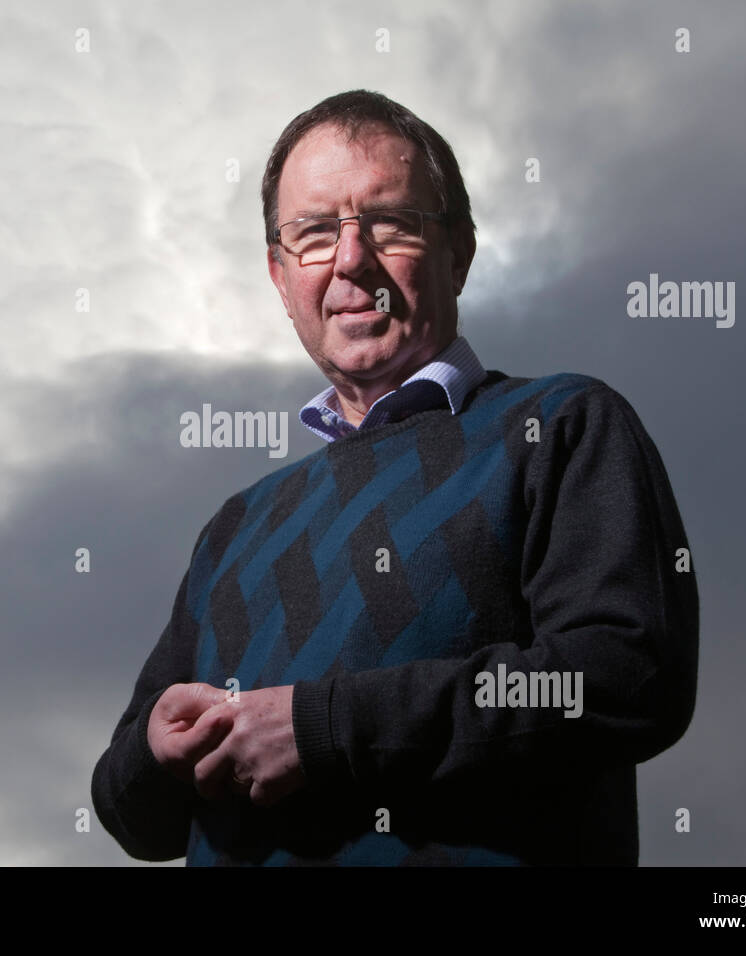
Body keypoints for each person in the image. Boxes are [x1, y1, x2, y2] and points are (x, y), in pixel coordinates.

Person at [90, 89, 699, 865]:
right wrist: (152, 749)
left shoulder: (561, 426)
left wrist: (324, 730)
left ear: (460, 252)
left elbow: (624, 677)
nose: (351, 259)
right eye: (313, 234)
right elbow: (133, 818)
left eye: (390, 223)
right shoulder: (236, 526)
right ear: (280, 278)